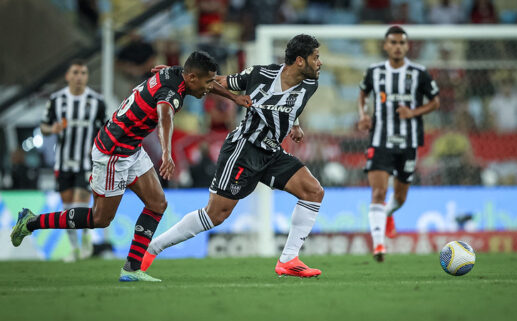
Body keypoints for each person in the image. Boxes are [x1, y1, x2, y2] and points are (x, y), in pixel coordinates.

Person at [11, 51, 251, 282]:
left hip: (132, 148)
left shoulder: (177, 73)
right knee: (101, 218)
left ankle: (132, 268)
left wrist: (234, 97)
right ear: (191, 78)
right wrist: (166, 153)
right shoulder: (170, 92)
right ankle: (31, 222)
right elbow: (165, 117)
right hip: (112, 152)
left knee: (157, 203)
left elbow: (201, 85)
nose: (210, 86)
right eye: (207, 81)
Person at [141, 34, 324, 278]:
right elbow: (217, 81)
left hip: (272, 152)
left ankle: (289, 259)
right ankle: (152, 247)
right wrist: (179, 75)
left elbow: (291, 104)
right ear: (300, 61)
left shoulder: (311, 83)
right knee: (215, 214)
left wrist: (295, 124)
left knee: (313, 191)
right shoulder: (261, 75)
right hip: (243, 149)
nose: (320, 62)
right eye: (316, 57)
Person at [357, 26, 440, 262]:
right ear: (385, 46)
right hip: (380, 139)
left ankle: (388, 214)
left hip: (409, 141)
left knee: (401, 198)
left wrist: (413, 112)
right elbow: (362, 93)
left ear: (407, 46)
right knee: (379, 192)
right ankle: (379, 245)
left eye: (402, 43)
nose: (397, 46)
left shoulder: (419, 73)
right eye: (393, 42)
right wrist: (363, 115)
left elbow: (435, 102)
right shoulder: (374, 72)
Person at [40, 59, 106, 262]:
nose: (79, 77)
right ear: (68, 76)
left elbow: (105, 128)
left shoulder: (97, 101)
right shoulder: (56, 100)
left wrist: (96, 144)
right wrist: (53, 129)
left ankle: (86, 236)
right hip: (63, 162)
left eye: (83, 73)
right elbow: (44, 126)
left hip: (86, 162)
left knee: (81, 201)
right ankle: (74, 248)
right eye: (76, 72)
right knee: (67, 206)